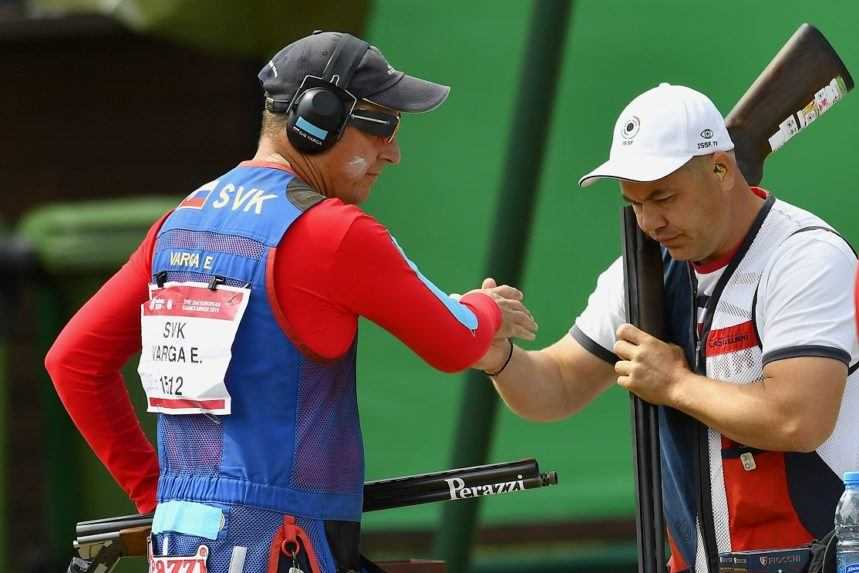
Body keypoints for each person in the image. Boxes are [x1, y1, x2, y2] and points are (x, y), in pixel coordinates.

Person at [44, 31, 536, 573]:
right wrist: (486, 307)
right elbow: (455, 339)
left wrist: (156, 497)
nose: (392, 153)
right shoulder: (333, 231)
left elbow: (72, 362)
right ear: (316, 119)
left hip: (182, 546)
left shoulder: (180, 224)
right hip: (285, 546)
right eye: (382, 127)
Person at [482, 83, 859, 573]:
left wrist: (676, 384)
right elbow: (556, 386)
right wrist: (498, 356)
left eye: (663, 196)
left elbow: (799, 419)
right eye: (634, 202)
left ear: (722, 169)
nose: (649, 222)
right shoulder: (643, 273)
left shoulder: (805, 257)